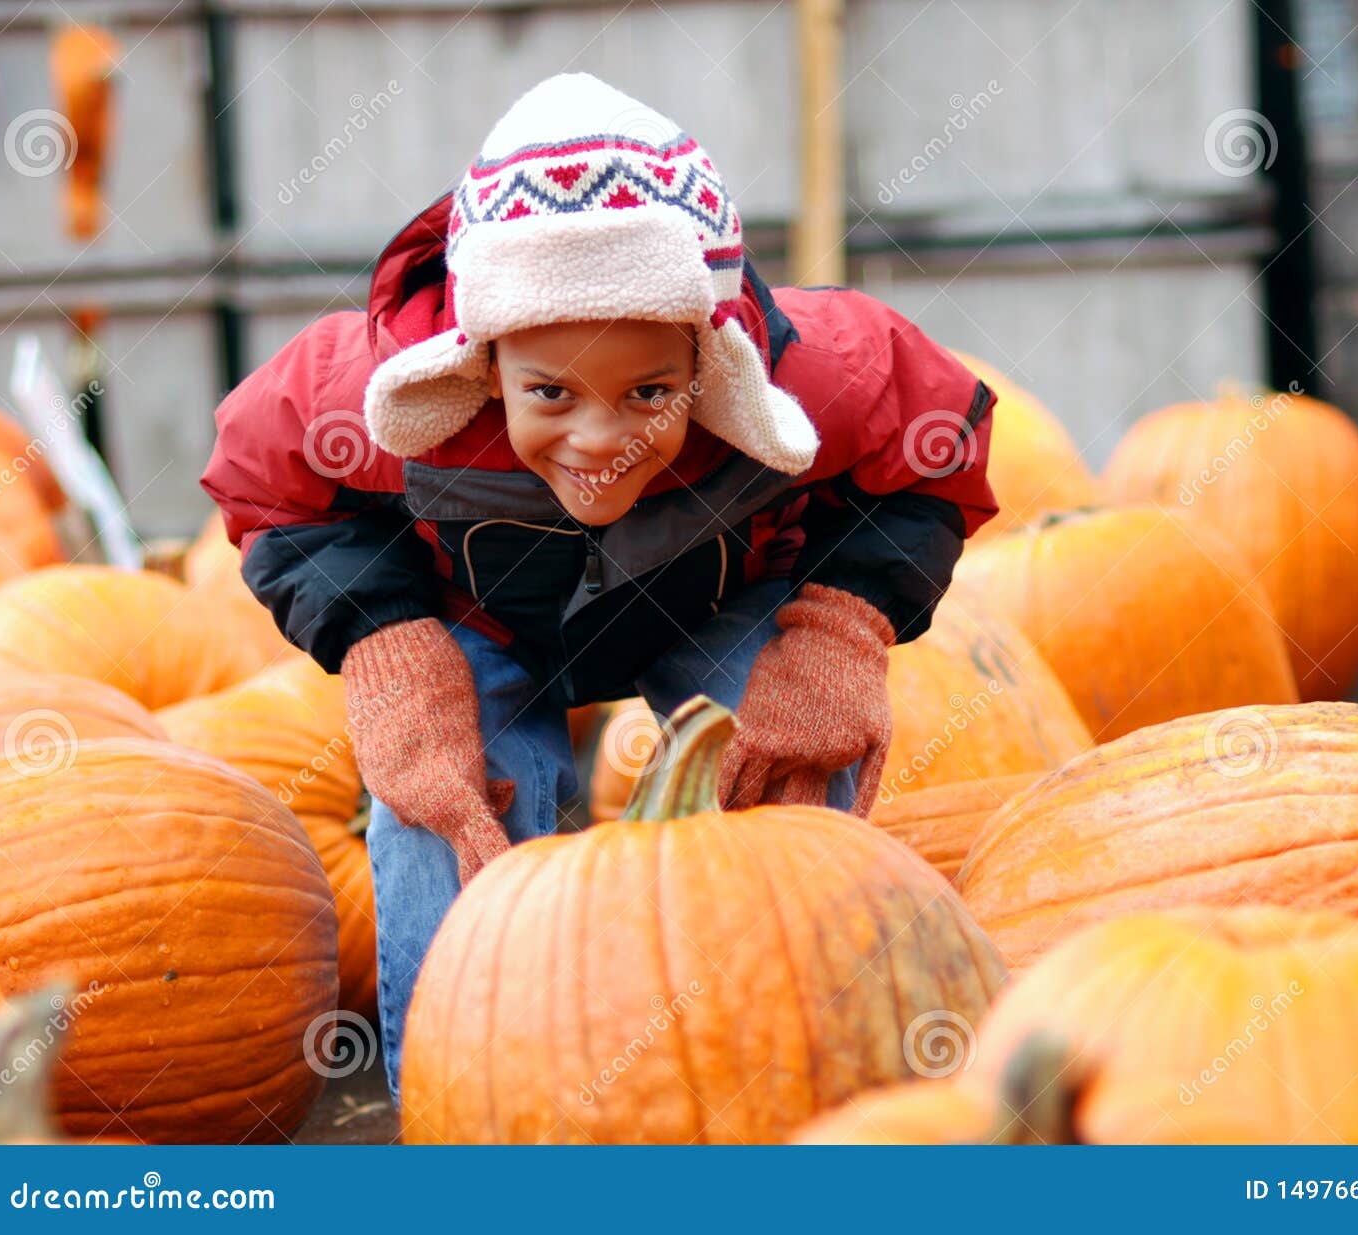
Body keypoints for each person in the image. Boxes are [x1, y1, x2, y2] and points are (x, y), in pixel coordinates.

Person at [201, 72, 997, 1103]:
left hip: (710, 599)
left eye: (650, 393)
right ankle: (459, 1093)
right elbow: (265, 478)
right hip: (485, 621)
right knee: (444, 803)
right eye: (550, 392)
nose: (598, 435)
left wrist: (842, 628)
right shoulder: (372, 388)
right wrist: (385, 640)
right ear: (484, 360)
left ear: (709, 362)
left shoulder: (817, 370)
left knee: (792, 753)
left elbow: (934, 451)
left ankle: (806, 1053)